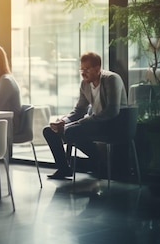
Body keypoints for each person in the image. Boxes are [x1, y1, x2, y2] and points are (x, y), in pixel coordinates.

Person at [43, 51, 128, 179]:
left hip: (113, 125)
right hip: (95, 124)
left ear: (98, 68)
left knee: (71, 131)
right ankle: (64, 168)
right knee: (49, 131)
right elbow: (79, 111)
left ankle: (100, 161)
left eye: (87, 69)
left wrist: (83, 122)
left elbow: (112, 111)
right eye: (81, 69)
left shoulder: (111, 79)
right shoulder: (85, 84)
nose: (83, 73)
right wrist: (64, 121)